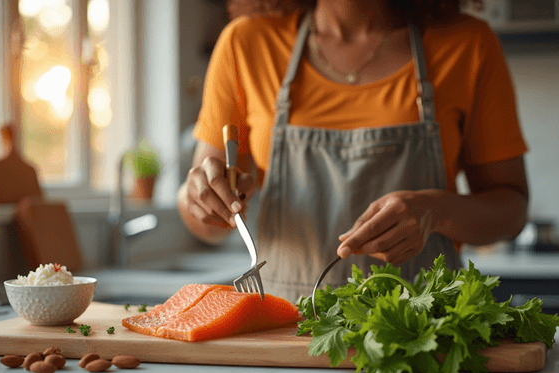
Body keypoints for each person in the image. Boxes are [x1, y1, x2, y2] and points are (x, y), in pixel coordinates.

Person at [178, 0, 530, 303]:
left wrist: (434, 211)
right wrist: (202, 200)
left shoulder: (468, 44)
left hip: (421, 336)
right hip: (286, 334)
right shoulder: (246, 43)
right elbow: (206, 223)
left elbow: (511, 210)